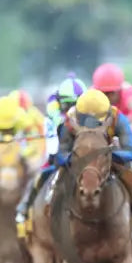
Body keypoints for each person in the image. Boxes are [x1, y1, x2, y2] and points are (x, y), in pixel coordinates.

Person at [51, 89, 132, 220]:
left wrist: (109, 154)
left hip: (106, 156)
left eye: (96, 121)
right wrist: (75, 156)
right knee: (57, 178)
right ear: (79, 116)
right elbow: (61, 154)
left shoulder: (117, 118)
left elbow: (130, 152)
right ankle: (53, 208)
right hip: (79, 160)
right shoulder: (69, 122)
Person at [16, 76, 87, 236]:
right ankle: (24, 209)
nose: (71, 109)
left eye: (75, 105)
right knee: (39, 177)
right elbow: (55, 146)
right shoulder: (54, 114)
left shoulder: (91, 112)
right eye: (67, 105)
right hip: (58, 155)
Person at [0, 93, 35, 167]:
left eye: (9, 128)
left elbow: (33, 143)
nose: (5, 130)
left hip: (16, 146)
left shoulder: (24, 119)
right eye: (3, 129)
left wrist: (23, 154)